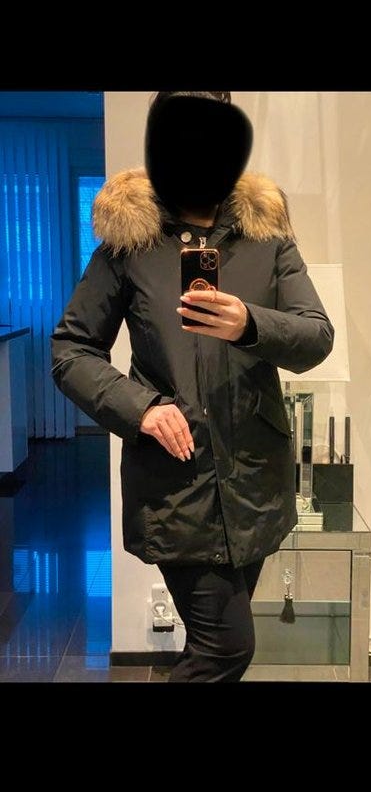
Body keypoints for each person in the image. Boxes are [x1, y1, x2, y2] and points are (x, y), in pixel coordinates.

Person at [51, 91, 334, 683]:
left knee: (212, 645)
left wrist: (250, 323)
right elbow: (71, 350)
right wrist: (142, 408)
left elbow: (316, 335)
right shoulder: (130, 242)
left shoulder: (267, 235)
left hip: (254, 478)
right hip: (176, 481)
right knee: (226, 649)